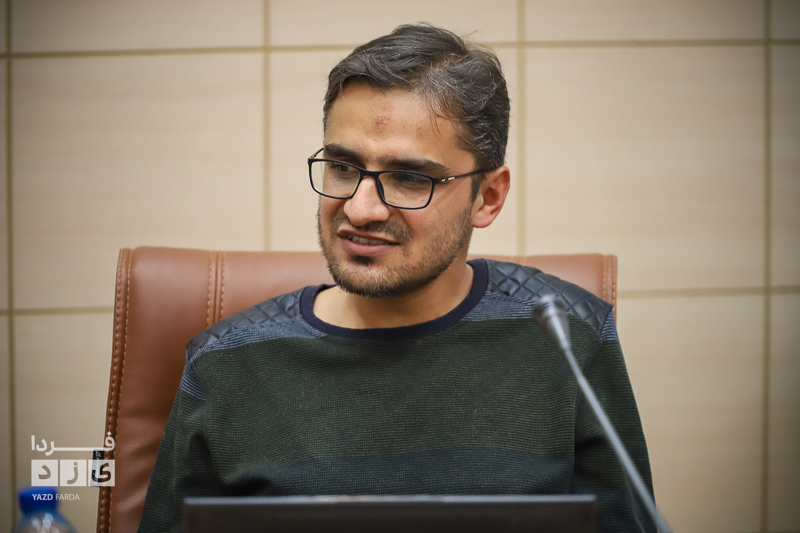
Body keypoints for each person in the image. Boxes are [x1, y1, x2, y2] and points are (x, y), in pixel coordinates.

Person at [138, 23, 655, 533]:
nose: (359, 209)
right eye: (343, 168)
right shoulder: (225, 364)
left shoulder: (570, 337)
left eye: (409, 178)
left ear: (488, 197)